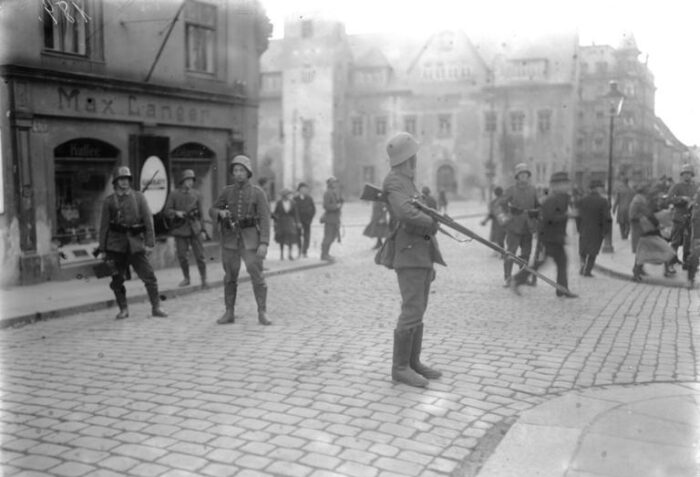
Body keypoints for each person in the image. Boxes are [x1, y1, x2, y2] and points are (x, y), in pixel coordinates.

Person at [382, 132, 445, 388]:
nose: (416, 160)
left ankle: (413, 362)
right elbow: (405, 212)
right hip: (408, 255)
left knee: (419, 309)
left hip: (421, 254)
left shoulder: (408, 181)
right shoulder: (395, 181)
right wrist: (432, 222)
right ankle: (400, 368)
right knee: (411, 310)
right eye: (414, 156)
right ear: (408, 157)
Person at [98, 166, 168, 319]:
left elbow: (148, 220)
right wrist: (103, 248)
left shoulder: (138, 197)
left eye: (126, 179)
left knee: (149, 276)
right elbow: (104, 226)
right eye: (121, 179)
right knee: (117, 279)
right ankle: (123, 309)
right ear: (115, 182)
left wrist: (150, 243)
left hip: (135, 244)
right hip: (115, 246)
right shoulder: (109, 201)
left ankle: (156, 307)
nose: (124, 182)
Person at [210, 155, 272, 326]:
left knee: (257, 276)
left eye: (241, 170)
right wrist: (219, 213)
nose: (238, 174)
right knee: (230, 276)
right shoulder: (226, 191)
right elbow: (212, 209)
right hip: (230, 241)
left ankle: (262, 312)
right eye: (235, 170)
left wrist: (264, 243)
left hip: (251, 241)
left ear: (248, 172)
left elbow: (265, 219)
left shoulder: (258, 193)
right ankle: (229, 312)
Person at [511, 171, 577, 298]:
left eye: (567, 183)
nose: (567, 186)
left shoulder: (562, 198)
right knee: (543, 263)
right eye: (564, 183)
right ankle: (517, 279)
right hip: (549, 238)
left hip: (555, 238)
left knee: (559, 262)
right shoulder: (552, 200)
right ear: (556, 185)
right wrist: (567, 215)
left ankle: (562, 289)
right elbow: (548, 218)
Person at [164, 169, 207, 288]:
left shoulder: (197, 194)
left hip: (195, 228)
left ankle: (204, 279)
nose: (190, 182)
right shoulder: (174, 194)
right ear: (182, 181)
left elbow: (201, 214)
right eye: (188, 180)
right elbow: (166, 211)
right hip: (180, 228)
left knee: (200, 256)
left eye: (192, 180)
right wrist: (176, 213)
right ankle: (186, 278)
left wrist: (203, 230)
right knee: (182, 256)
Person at [498, 163, 540, 287]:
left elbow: (538, 205)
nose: (524, 177)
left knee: (526, 254)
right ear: (517, 177)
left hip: (528, 227)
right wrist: (505, 220)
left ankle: (522, 277)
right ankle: (507, 278)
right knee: (510, 253)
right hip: (514, 227)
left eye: (526, 175)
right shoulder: (511, 190)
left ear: (528, 176)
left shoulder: (533, 190)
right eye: (521, 175)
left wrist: (537, 216)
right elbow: (499, 205)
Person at [575, 179, 612, 277]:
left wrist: (578, 228)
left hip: (584, 229)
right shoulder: (603, 201)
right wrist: (605, 231)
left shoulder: (582, 200)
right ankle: (587, 270)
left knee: (583, 250)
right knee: (593, 251)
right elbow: (607, 218)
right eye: (601, 187)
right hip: (597, 230)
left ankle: (582, 265)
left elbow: (577, 216)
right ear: (597, 189)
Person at [667, 164, 697, 271]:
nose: (687, 176)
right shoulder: (677, 186)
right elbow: (669, 199)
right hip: (679, 217)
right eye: (685, 174)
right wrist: (681, 199)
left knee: (688, 242)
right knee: (675, 241)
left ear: (691, 175)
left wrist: (694, 202)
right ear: (682, 175)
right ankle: (669, 264)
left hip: (690, 218)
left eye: (689, 174)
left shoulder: (694, 186)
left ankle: (686, 263)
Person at [272, 188, 300, 260]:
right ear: (282, 196)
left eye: (287, 195)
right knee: (281, 237)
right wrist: (275, 219)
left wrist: (297, 222)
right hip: (281, 222)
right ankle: (281, 254)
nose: (286, 196)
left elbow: (296, 214)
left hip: (290, 221)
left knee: (291, 237)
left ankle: (290, 254)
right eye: (284, 195)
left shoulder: (293, 203)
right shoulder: (279, 203)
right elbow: (275, 213)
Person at [320, 176, 343, 261]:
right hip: (329, 219)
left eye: (336, 182)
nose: (335, 184)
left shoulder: (334, 192)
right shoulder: (327, 193)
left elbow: (338, 202)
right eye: (333, 182)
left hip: (335, 218)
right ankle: (324, 254)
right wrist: (336, 206)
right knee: (328, 237)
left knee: (333, 237)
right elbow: (325, 206)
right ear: (329, 184)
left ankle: (327, 253)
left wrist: (340, 202)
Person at [293, 182, 315, 258]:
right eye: (302, 189)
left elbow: (313, 210)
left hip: (307, 220)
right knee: (297, 236)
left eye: (306, 189)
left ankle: (305, 251)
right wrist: (296, 221)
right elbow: (293, 211)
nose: (304, 191)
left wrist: (310, 218)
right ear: (299, 190)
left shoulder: (309, 198)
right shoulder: (295, 199)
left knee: (307, 236)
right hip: (298, 221)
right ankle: (299, 250)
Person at [480, 186, 506, 250]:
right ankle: (501, 252)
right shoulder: (496, 202)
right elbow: (491, 214)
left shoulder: (500, 201)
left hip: (501, 222)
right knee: (500, 239)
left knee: (500, 239)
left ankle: (502, 252)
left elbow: (491, 214)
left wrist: (485, 221)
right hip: (501, 222)